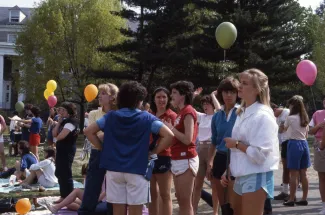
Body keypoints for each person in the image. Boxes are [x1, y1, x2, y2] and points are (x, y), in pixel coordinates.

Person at [84, 81, 174, 215]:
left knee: (118, 210)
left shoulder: (111, 116)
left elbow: (88, 132)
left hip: (114, 169)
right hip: (137, 168)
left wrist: (102, 148)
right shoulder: (147, 117)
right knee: (136, 210)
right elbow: (169, 135)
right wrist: (153, 152)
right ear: (139, 101)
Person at [221, 69, 279, 215]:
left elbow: (260, 155)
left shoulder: (263, 115)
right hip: (241, 174)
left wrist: (236, 144)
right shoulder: (242, 112)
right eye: (240, 82)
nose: (239, 86)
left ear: (257, 89)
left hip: (256, 174)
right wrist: (228, 169)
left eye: (245, 83)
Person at [78, 83, 119, 215]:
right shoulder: (94, 113)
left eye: (103, 93)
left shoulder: (119, 113)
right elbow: (92, 134)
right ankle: (86, 212)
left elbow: (98, 134)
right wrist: (104, 139)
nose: (99, 96)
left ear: (113, 97)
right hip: (98, 152)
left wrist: (101, 134)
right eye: (99, 93)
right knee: (92, 186)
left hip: (114, 153)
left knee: (113, 187)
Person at [163, 81, 199, 215]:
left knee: (185, 202)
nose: (171, 96)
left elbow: (187, 139)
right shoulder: (182, 111)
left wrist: (171, 128)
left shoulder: (188, 111)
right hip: (178, 158)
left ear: (182, 95)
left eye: (174, 93)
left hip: (186, 158)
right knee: (181, 200)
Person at [206, 77, 240, 215]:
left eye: (232, 91)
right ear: (221, 94)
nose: (229, 95)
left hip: (237, 158)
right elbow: (214, 141)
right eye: (225, 92)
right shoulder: (216, 116)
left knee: (234, 203)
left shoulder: (242, 113)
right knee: (223, 203)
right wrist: (209, 162)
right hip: (220, 158)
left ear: (238, 93)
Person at [149, 87, 177, 215]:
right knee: (151, 195)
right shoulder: (149, 115)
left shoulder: (172, 116)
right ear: (153, 99)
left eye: (164, 97)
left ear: (168, 99)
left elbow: (174, 138)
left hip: (165, 156)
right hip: (149, 157)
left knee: (165, 194)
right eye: (158, 97)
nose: (161, 100)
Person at [192, 93, 220, 214]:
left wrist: (213, 96)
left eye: (207, 104)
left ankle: (215, 212)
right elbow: (188, 109)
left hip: (212, 149)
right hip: (200, 149)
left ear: (212, 105)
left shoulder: (217, 116)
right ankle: (193, 209)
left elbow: (219, 109)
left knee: (214, 185)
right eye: (203, 104)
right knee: (197, 184)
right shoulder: (202, 117)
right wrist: (193, 96)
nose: (205, 106)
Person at [45, 163, 110, 214]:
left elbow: (98, 199)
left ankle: (56, 208)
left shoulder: (104, 179)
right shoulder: (93, 179)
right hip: (95, 201)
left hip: (100, 203)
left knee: (77, 191)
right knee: (67, 202)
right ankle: (83, 209)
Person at [282, 95, 310, 206]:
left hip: (293, 143)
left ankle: (291, 198)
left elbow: (284, 128)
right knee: (304, 173)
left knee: (293, 174)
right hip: (304, 143)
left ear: (292, 105)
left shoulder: (290, 118)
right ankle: (304, 198)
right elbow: (307, 134)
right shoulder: (305, 117)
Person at [52, 102, 79, 204]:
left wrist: (56, 138)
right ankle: (63, 195)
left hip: (67, 150)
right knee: (59, 172)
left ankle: (69, 197)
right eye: (60, 110)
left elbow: (60, 136)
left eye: (63, 110)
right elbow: (54, 133)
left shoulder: (71, 122)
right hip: (61, 150)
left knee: (66, 173)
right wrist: (58, 122)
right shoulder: (64, 122)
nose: (60, 112)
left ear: (69, 111)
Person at [309, 97, 325, 214]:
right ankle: (324, 205)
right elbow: (310, 131)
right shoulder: (317, 114)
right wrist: (320, 125)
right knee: (322, 177)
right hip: (320, 146)